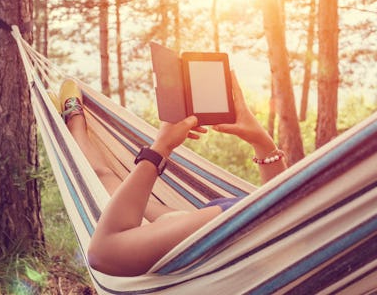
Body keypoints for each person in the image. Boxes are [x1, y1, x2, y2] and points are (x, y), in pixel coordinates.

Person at [52, 72, 287, 277]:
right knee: (109, 182)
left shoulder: (234, 223)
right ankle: (74, 125)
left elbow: (102, 253)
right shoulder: (306, 236)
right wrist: (261, 140)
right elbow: (287, 214)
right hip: (221, 225)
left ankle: (74, 122)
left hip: (222, 230)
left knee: (104, 179)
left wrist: (161, 148)